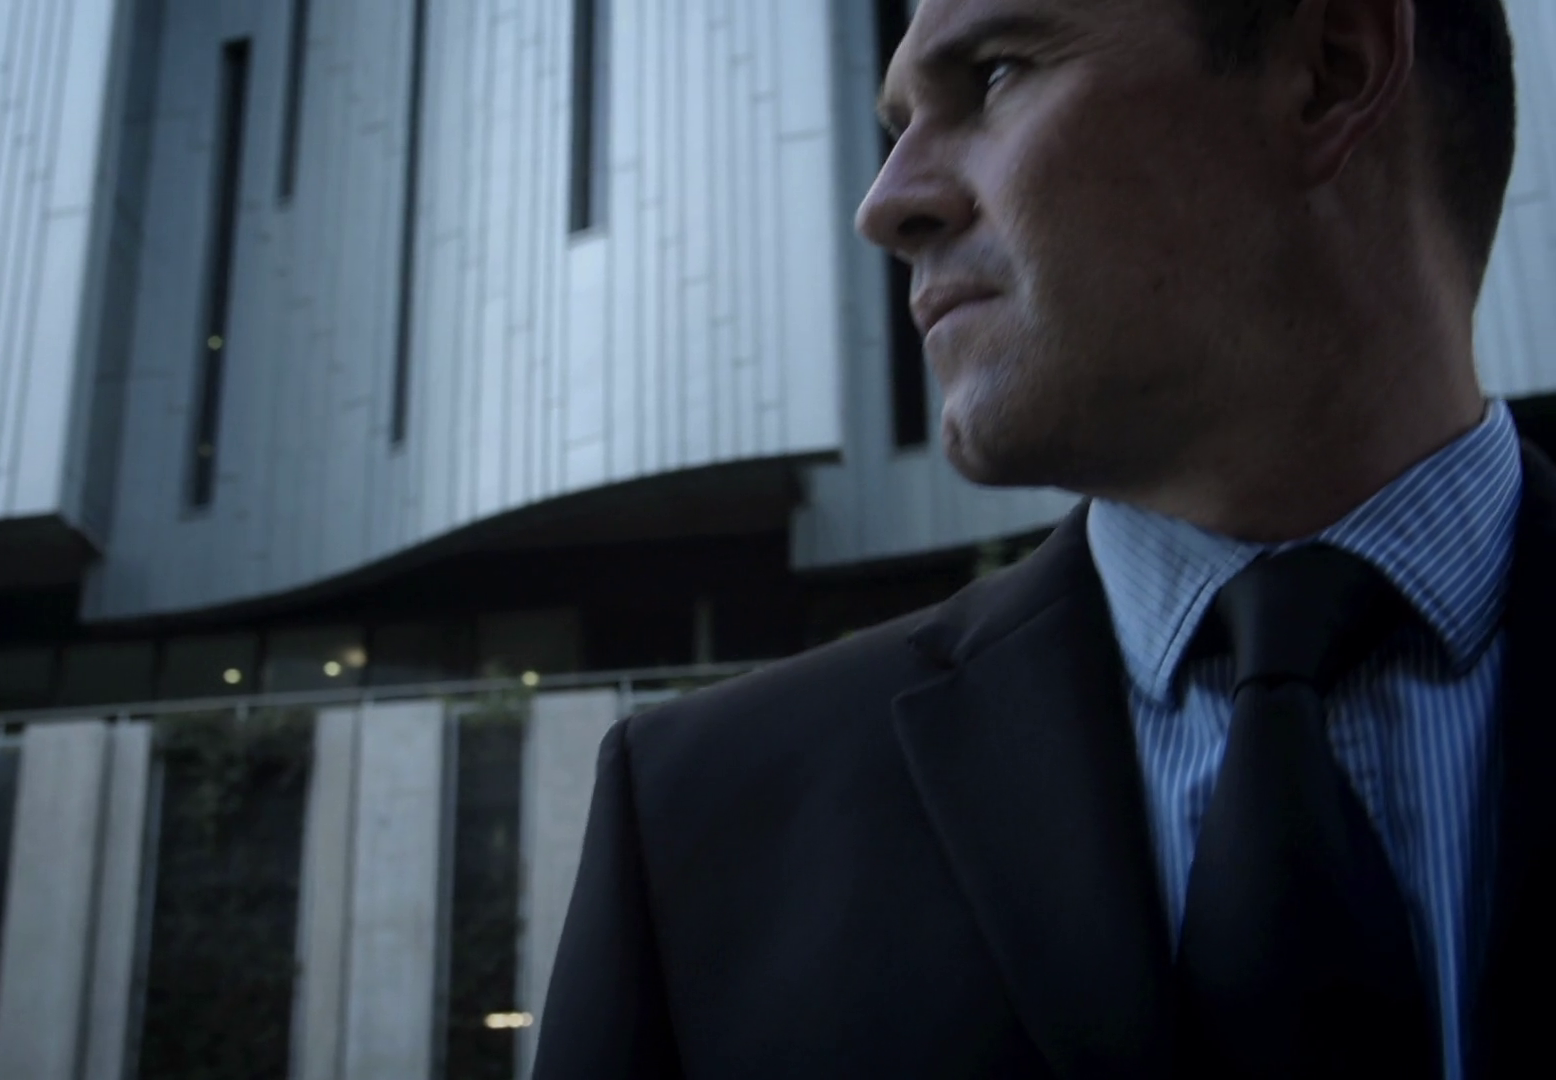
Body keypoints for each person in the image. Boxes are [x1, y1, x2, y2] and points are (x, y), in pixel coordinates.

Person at [531, 0, 1546, 1077]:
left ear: (1331, 71)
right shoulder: (698, 823)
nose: (886, 205)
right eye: (898, 128)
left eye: (996, 75)